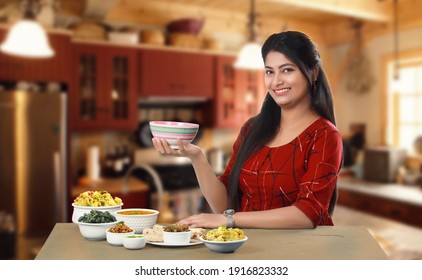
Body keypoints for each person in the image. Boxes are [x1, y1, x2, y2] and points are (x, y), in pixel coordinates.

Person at [152, 31, 343, 229]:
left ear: (313, 72)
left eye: (287, 70)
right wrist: (197, 157)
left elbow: (308, 214)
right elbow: (224, 205)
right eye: (269, 71)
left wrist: (229, 220)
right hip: (249, 248)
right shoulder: (252, 128)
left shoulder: (325, 135)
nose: (276, 81)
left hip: (301, 253)